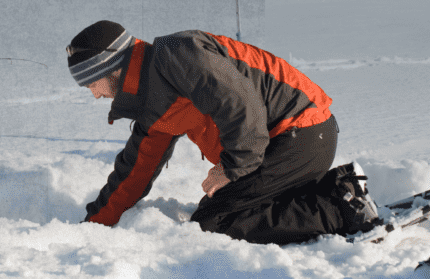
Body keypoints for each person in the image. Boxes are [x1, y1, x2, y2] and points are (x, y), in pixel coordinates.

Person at [66, 20, 381, 244]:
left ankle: (340, 208)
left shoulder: (175, 54)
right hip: (284, 144)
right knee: (226, 211)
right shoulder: (152, 108)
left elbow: (241, 102)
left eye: (91, 83)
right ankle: (339, 191)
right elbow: (134, 172)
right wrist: (92, 227)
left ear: (110, 68)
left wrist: (234, 167)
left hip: (301, 131)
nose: (94, 95)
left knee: (215, 221)